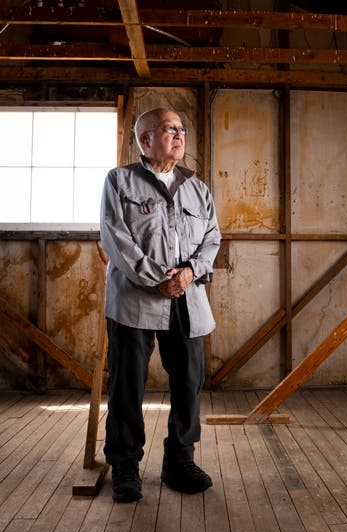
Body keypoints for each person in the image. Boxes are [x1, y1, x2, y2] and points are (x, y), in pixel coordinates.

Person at [100, 107, 221, 502]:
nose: (180, 136)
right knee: (127, 384)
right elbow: (116, 239)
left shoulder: (197, 188)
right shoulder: (119, 182)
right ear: (145, 139)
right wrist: (159, 278)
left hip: (188, 295)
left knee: (188, 381)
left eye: (182, 130)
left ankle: (180, 460)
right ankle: (125, 465)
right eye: (171, 130)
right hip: (135, 299)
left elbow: (212, 238)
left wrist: (188, 273)